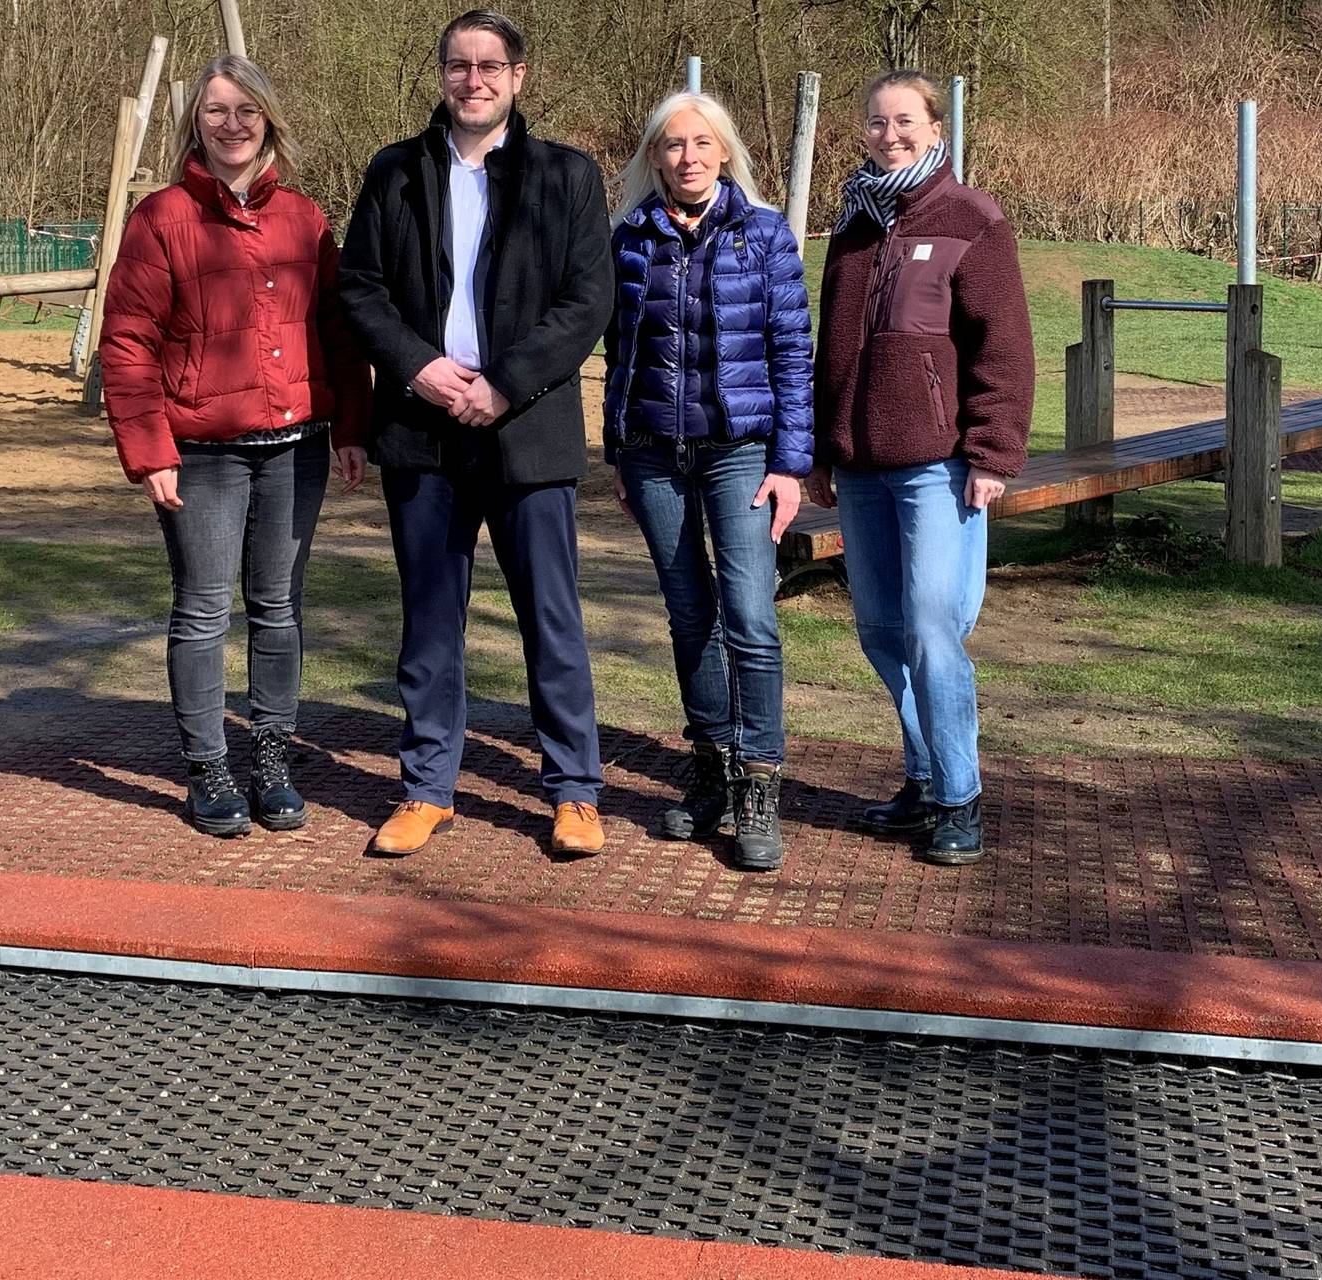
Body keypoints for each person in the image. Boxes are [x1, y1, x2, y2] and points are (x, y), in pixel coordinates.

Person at [337, 10, 615, 858]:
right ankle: (426, 788)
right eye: (459, 66)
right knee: (429, 620)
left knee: (552, 619)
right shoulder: (395, 172)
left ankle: (574, 793)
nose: (474, 80)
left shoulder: (566, 176)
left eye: (490, 66)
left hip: (527, 430)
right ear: (442, 75)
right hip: (422, 432)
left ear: (518, 77)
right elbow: (359, 290)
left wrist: (504, 382)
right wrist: (419, 367)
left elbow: (587, 301)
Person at [98, 54, 370, 839]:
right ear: (196, 123)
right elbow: (126, 342)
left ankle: (273, 756)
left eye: (246, 109)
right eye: (216, 110)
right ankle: (208, 765)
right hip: (204, 450)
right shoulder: (162, 218)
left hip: (296, 445)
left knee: (279, 609)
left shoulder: (306, 219)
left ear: (268, 120)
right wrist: (149, 448)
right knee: (204, 609)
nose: (232, 123)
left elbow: (340, 334)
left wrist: (353, 426)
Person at [806, 70, 1033, 866]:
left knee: (936, 628)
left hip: (938, 467)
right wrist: (820, 450)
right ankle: (925, 775)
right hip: (860, 467)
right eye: (875, 122)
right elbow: (831, 349)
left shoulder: (972, 220)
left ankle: (959, 797)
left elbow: (1002, 347)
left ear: (935, 129)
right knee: (880, 630)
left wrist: (993, 453)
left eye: (904, 121)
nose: (889, 134)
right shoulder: (853, 224)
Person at [602, 91, 812, 873]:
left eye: (701, 143)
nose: (687, 157)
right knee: (689, 615)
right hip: (654, 452)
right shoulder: (631, 239)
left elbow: (793, 353)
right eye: (671, 145)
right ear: (654, 157)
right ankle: (714, 767)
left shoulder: (763, 236)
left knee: (750, 616)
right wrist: (615, 450)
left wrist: (791, 463)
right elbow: (617, 354)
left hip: (740, 452)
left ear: (725, 152)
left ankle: (760, 780)